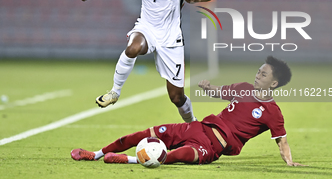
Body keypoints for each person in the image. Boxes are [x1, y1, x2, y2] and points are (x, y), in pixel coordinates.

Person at [79, 0, 216, 123]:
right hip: (147, 27)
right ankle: (115, 92)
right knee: (133, 47)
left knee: (176, 97)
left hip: (171, 37)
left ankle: (193, 123)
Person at [71, 56, 305, 166]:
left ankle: (128, 160)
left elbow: (281, 141)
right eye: (258, 71)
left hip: (213, 147)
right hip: (197, 127)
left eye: (263, 74)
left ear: (274, 84)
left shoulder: (272, 112)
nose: (257, 75)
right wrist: (208, 87)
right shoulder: (243, 88)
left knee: (178, 156)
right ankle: (97, 153)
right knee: (142, 134)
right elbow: (220, 91)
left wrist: (290, 163)